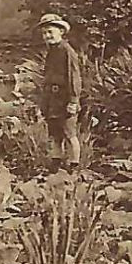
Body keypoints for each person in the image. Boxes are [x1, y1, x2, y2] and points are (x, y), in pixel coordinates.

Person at [36, 13, 83, 170]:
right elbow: (47, 78)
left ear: (61, 31)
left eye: (50, 32)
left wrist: (74, 101)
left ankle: (74, 165)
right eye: (44, 33)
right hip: (52, 98)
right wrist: (43, 102)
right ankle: (55, 163)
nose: (47, 36)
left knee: (70, 133)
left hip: (65, 98)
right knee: (55, 133)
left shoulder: (67, 51)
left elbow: (74, 77)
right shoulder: (52, 51)